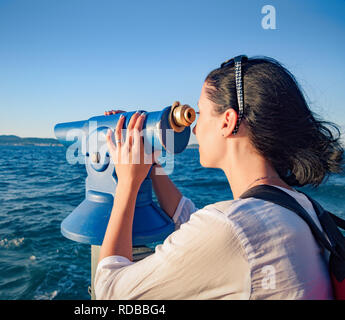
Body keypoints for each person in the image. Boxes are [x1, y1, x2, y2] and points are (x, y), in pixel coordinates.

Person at [94, 55, 344, 299]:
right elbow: (196, 225)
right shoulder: (300, 206)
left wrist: (128, 183)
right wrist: (150, 163)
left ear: (227, 122)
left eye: (200, 114)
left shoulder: (230, 227)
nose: (194, 128)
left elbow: (110, 291)